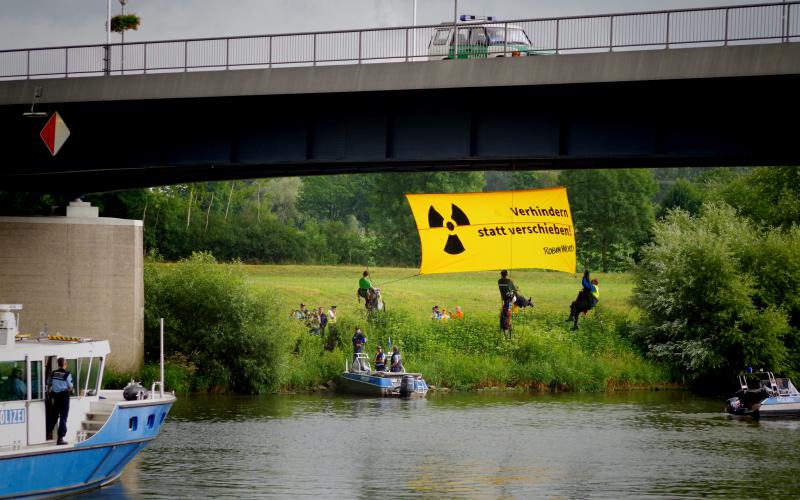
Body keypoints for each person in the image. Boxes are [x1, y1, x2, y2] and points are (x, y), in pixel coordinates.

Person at [47, 357, 73, 445]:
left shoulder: (54, 373)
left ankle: (47, 432)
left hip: (55, 397)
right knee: (63, 418)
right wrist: (69, 389)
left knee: (53, 417)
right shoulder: (67, 374)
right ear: (65, 364)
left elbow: (49, 383)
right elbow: (70, 387)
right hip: (64, 397)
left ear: (58, 364)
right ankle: (60, 438)